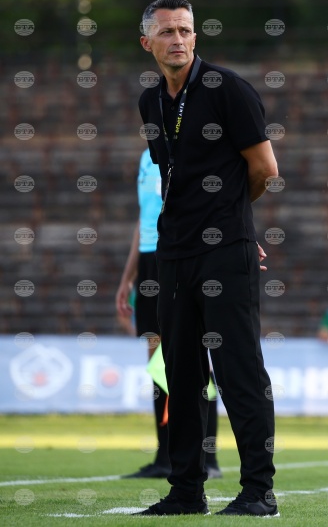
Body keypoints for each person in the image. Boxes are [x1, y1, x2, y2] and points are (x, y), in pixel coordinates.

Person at [133, 0, 279, 516]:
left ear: (196, 36)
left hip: (224, 253)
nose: (178, 39)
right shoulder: (151, 102)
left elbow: (265, 169)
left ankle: (258, 492)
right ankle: (186, 491)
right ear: (147, 42)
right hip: (173, 254)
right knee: (180, 374)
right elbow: (172, 176)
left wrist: (234, 221)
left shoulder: (228, 89)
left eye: (185, 30)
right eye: (167, 31)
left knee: (238, 371)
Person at [115, 148, 221, 480]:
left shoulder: (183, 148)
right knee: (157, 362)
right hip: (149, 260)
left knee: (192, 357)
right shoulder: (146, 157)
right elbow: (143, 220)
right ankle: (166, 455)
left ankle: (207, 457)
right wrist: (128, 277)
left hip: (176, 253)